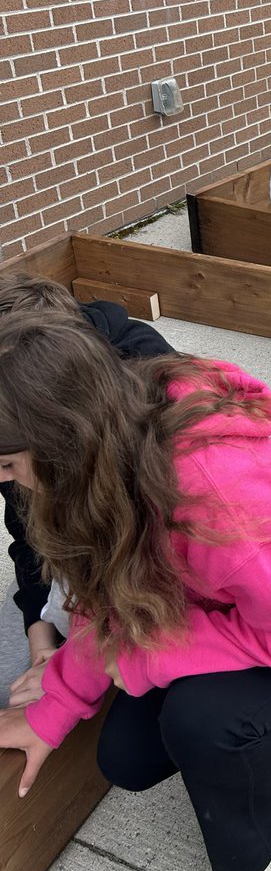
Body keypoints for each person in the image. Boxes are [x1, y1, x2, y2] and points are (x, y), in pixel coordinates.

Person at [0, 314, 271, 871]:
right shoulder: (102, 454)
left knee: (200, 724)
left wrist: (152, 655)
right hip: (263, 592)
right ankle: (261, 741)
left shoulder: (211, 492)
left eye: (9, 466)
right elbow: (104, 595)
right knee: (128, 760)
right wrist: (53, 709)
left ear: (65, 437)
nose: (6, 483)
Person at [0, 272, 174, 710]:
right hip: (80, 579)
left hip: (147, 575)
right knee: (12, 682)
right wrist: (37, 630)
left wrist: (83, 658)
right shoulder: (15, 418)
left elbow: (157, 553)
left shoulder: (148, 381)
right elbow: (25, 532)